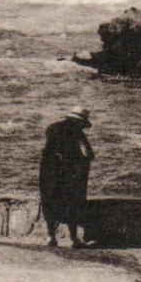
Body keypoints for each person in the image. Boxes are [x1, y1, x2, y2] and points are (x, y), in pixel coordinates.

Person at [39, 106, 95, 248]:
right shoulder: (78, 133)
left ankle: (51, 236)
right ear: (80, 122)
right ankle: (73, 239)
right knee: (72, 203)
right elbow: (89, 153)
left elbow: (48, 150)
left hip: (48, 170)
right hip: (69, 171)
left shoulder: (52, 128)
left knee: (49, 202)